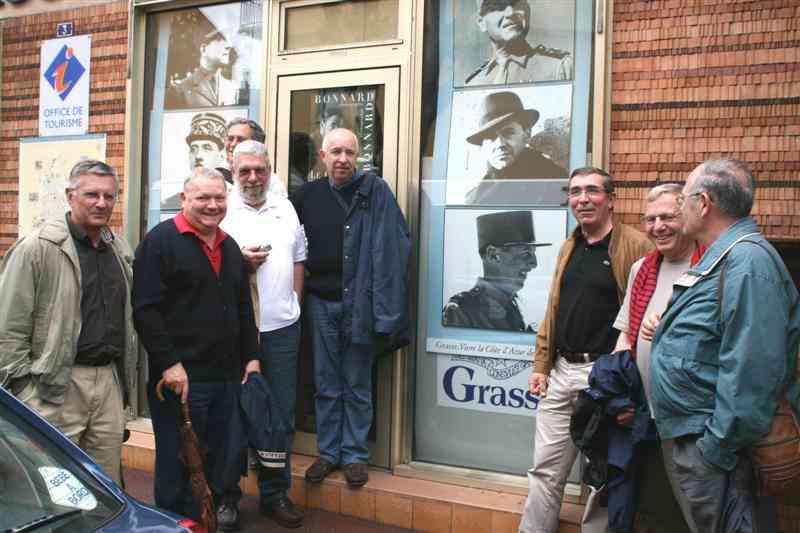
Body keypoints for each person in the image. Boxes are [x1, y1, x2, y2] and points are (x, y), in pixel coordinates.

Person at [649, 159, 800, 532]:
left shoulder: (747, 263)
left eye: (683, 199)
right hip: (701, 440)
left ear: (703, 204)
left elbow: (752, 371)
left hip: (719, 450)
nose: (681, 207)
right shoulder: (725, 258)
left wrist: (716, 448)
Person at [519, 167, 653, 533]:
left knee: (604, 474)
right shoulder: (571, 244)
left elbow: (644, 318)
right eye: (576, 192)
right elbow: (554, 309)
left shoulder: (636, 246)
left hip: (604, 378)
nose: (583, 199)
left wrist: (631, 388)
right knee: (545, 469)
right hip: (562, 371)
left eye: (592, 191)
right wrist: (541, 365)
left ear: (611, 199)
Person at [133, 167, 261, 531]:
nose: (212, 205)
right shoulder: (160, 243)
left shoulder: (228, 245)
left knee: (223, 452)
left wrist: (251, 358)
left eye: (219, 198)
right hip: (180, 379)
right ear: (184, 200)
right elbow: (145, 310)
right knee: (179, 462)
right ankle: (175, 524)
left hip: (225, 376)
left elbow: (242, 307)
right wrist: (169, 363)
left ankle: (215, 515)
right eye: (203, 198)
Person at [0, 160, 141, 486]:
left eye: (110, 196)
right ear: (70, 195)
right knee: (55, 484)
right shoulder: (38, 248)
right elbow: (8, 330)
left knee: (105, 486)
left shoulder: (118, 248)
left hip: (108, 382)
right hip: (55, 385)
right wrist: (26, 392)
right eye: (92, 194)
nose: (102, 203)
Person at [291, 128, 411, 488]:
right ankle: (328, 453)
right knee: (326, 383)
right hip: (320, 303)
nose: (343, 158)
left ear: (358, 156)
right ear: (323, 157)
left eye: (350, 152)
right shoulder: (306, 196)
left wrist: (385, 309)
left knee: (357, 383)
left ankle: (355, 455)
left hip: (360, 303)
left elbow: (395, 248)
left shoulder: (375, 192)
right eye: (336, 152)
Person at [219, 140, 307, 529]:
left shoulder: (284, 206)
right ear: (233, 172)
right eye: (244, 171)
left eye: (259, 170)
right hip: (237, 333)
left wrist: (295, 302)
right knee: (233, 415)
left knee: (280, 415)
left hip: (283, 330)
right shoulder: (221, 210)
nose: (253, 178)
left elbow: (299, 257)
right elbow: (206, 265)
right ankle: (228, 498)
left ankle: (275, 494)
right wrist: (238, 262)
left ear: (270, 170)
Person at [611, 183, 702, 533]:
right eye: (650, 219)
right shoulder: (642, 268)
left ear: (688, 216)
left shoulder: (709, 267)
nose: (657, 226)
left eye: (667, 216)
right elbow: (626, 333)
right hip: (641, 413)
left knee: (698, 507)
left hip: (689, 418)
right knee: (652, 506)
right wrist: (618, 390)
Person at [442, 210, 550, 331]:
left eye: (533, 253)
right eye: (525, 254)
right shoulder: (461, 310)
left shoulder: (521, 306)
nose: (534, 264)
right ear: (493, 255)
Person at [464, 91, 568, 205]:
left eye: (508, 132)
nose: (500, 143)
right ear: (482, 146)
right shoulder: (473, 199)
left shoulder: (555, 182)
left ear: (527, 134)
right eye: (490, 137)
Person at [465, 0, 572, 86]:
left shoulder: (560, 68)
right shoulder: (474, 83)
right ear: (481, 22)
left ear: (528, 10)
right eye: (498, 6)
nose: (510, 13)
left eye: (516, 3)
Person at [166, 30, 246, 108]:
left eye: (229, 41)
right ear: (203, 49)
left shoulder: (232, 88)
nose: (228, 46)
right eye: (220, 40)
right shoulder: (179, 89)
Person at [221, 117, 287, 198]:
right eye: (230, 139)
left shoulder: (271, 184)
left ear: (257, 144)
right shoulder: (217, 176)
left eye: (241, 140)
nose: (233, 144)